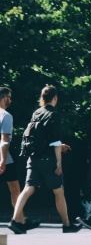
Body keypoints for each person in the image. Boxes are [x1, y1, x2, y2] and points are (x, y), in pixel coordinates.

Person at [7, 85, 82, 234]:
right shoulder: (54, 114)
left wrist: (59, 146)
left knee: (28, 188)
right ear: (55, 98)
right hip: (48, 159)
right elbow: (53, 141)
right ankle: (67, 225)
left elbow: (40, 137)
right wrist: (59, 162)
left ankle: (15, 220)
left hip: (32, 157)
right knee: (59, 191)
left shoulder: (36, 113)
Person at [0, 87, 22, 217]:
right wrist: (3, 159)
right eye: (9, 97)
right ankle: (19, 219)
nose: (11, 100)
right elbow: (5, 139)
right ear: (4, 98)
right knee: (15, 188)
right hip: (5, 158)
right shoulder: (6, 116)